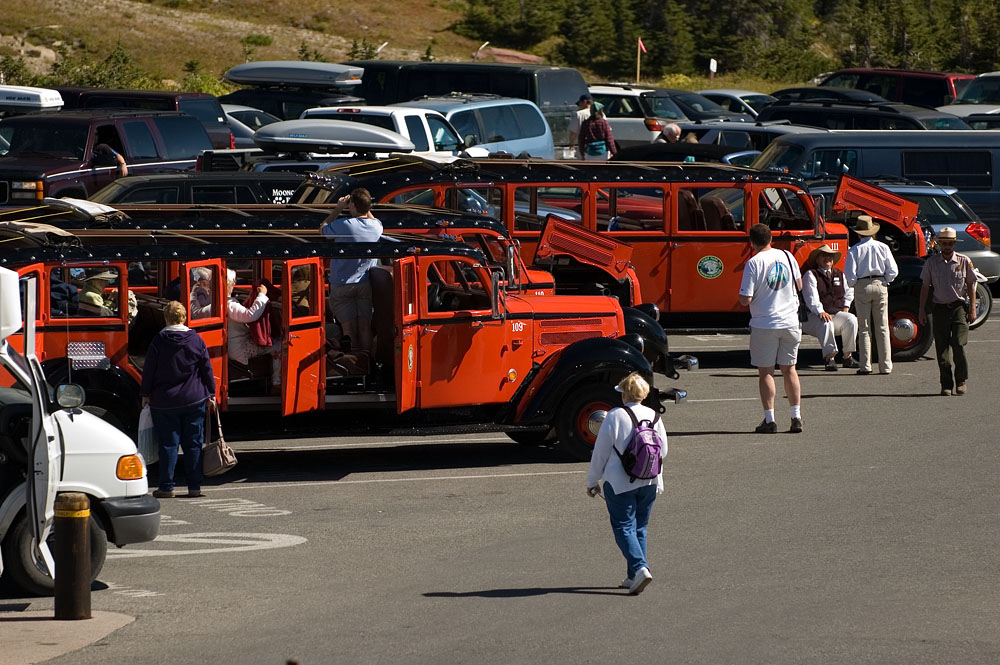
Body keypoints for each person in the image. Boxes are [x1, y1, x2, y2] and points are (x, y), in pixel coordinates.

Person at [585, 372, 668, 595]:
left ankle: (640, 568)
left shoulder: (614, 416)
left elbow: (600, 453)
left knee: (623, 526)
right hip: (650, 480)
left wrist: (592, 481)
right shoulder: (654, 416)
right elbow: (664, 450)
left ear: (624, 395)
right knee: (639, 527)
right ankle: (633, 576)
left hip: (619, 482)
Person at [140, 301, 215, 499]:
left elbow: (149, 370)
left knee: (168, 444)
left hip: (164, 401)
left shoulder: (159, 341)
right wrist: (211, 392)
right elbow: (206, 369)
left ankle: (166, 486)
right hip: (194, 398)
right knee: (193, 444)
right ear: (184, 317)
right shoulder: (196, 340)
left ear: (166, 318)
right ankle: (194, 487)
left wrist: (145, 393)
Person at [738, 223, 804, 433]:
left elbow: (745, 299)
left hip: (765, 322)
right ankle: (796, 416)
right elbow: (799, 285)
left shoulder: (753, 263)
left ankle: (770, 419)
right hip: (791, 321)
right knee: (790, 369)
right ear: (771, 239)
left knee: (766, 373)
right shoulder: (787, 256)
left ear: (752, 242)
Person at [320, 188, 383, 359]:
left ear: (352, 205)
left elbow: (323, 230)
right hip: (364, 283)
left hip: (342, 285)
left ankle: (356, 364)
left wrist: (338, 208)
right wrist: (364, 206)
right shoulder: (377, 227)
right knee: (364, 326)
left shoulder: (345, 225)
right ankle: (367, 361)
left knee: (348, 328)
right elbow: (371, 218)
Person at [918, 227, 977, 396]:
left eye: (950, 243)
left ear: (954, 244)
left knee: (958, 344)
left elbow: (971, 285)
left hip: (958, 307)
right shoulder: (931, 263)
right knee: (941, 348)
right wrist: (922, 310)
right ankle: (946, 383)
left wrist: (972, 308)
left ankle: (961, 380)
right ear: (939, 244)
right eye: (944, 243)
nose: (947, 247)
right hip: (940, 309)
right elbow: (924, 287)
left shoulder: (964, 261)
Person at [844, 215, 899, 375]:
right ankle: (885, 365)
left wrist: (856, 283)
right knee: (882, 326)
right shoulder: (883, 247)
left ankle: (866, 365)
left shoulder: (854, 250)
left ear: (859, 233)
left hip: (862, 284)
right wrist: (885, 280)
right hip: (880, 283)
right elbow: (893, 270)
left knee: (864, 327)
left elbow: (850, 275)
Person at [801, 244, 859, 371]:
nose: (828, 258)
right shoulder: (811, 274)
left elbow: (849, 291)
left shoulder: (839, 274)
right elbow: (810, 296)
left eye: (830, 256)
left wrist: (846, 306)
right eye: (824, 256)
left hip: (835, 313)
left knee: (851, 319)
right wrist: (820, 311)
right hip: (812, 316)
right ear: (817, 260)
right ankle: (830, 358)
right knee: (826, 323)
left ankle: (847, 357)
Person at [225, 269, 280, 391]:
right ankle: (277, 383)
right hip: (239, 348)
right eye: (233, 282)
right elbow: (250, 316)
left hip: (232, 345)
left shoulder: (218, 301)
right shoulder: (229, 304)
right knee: (278, 346)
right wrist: (262, 295)